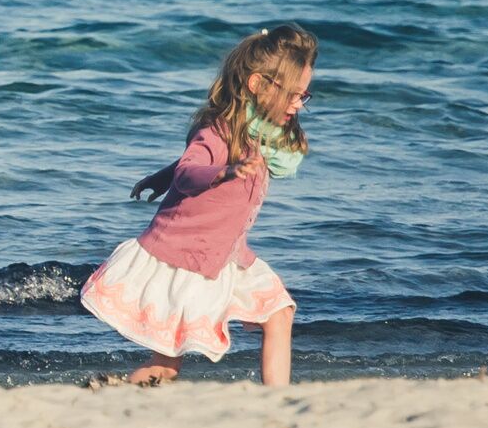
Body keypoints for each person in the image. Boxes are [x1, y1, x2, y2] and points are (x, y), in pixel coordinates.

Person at [79, 24, 317, 390]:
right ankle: (116, 393)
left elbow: (181, 168)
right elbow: (191, 171)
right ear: (258, 85)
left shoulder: (258, 135)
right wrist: (225, 171)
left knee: (279, 313)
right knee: (168, 365)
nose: (299, 104)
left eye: (304, 96)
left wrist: (162, 177)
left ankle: (278, 398)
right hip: (189, 258)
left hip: (229, 255)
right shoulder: (218, 130)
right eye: (292, 95)